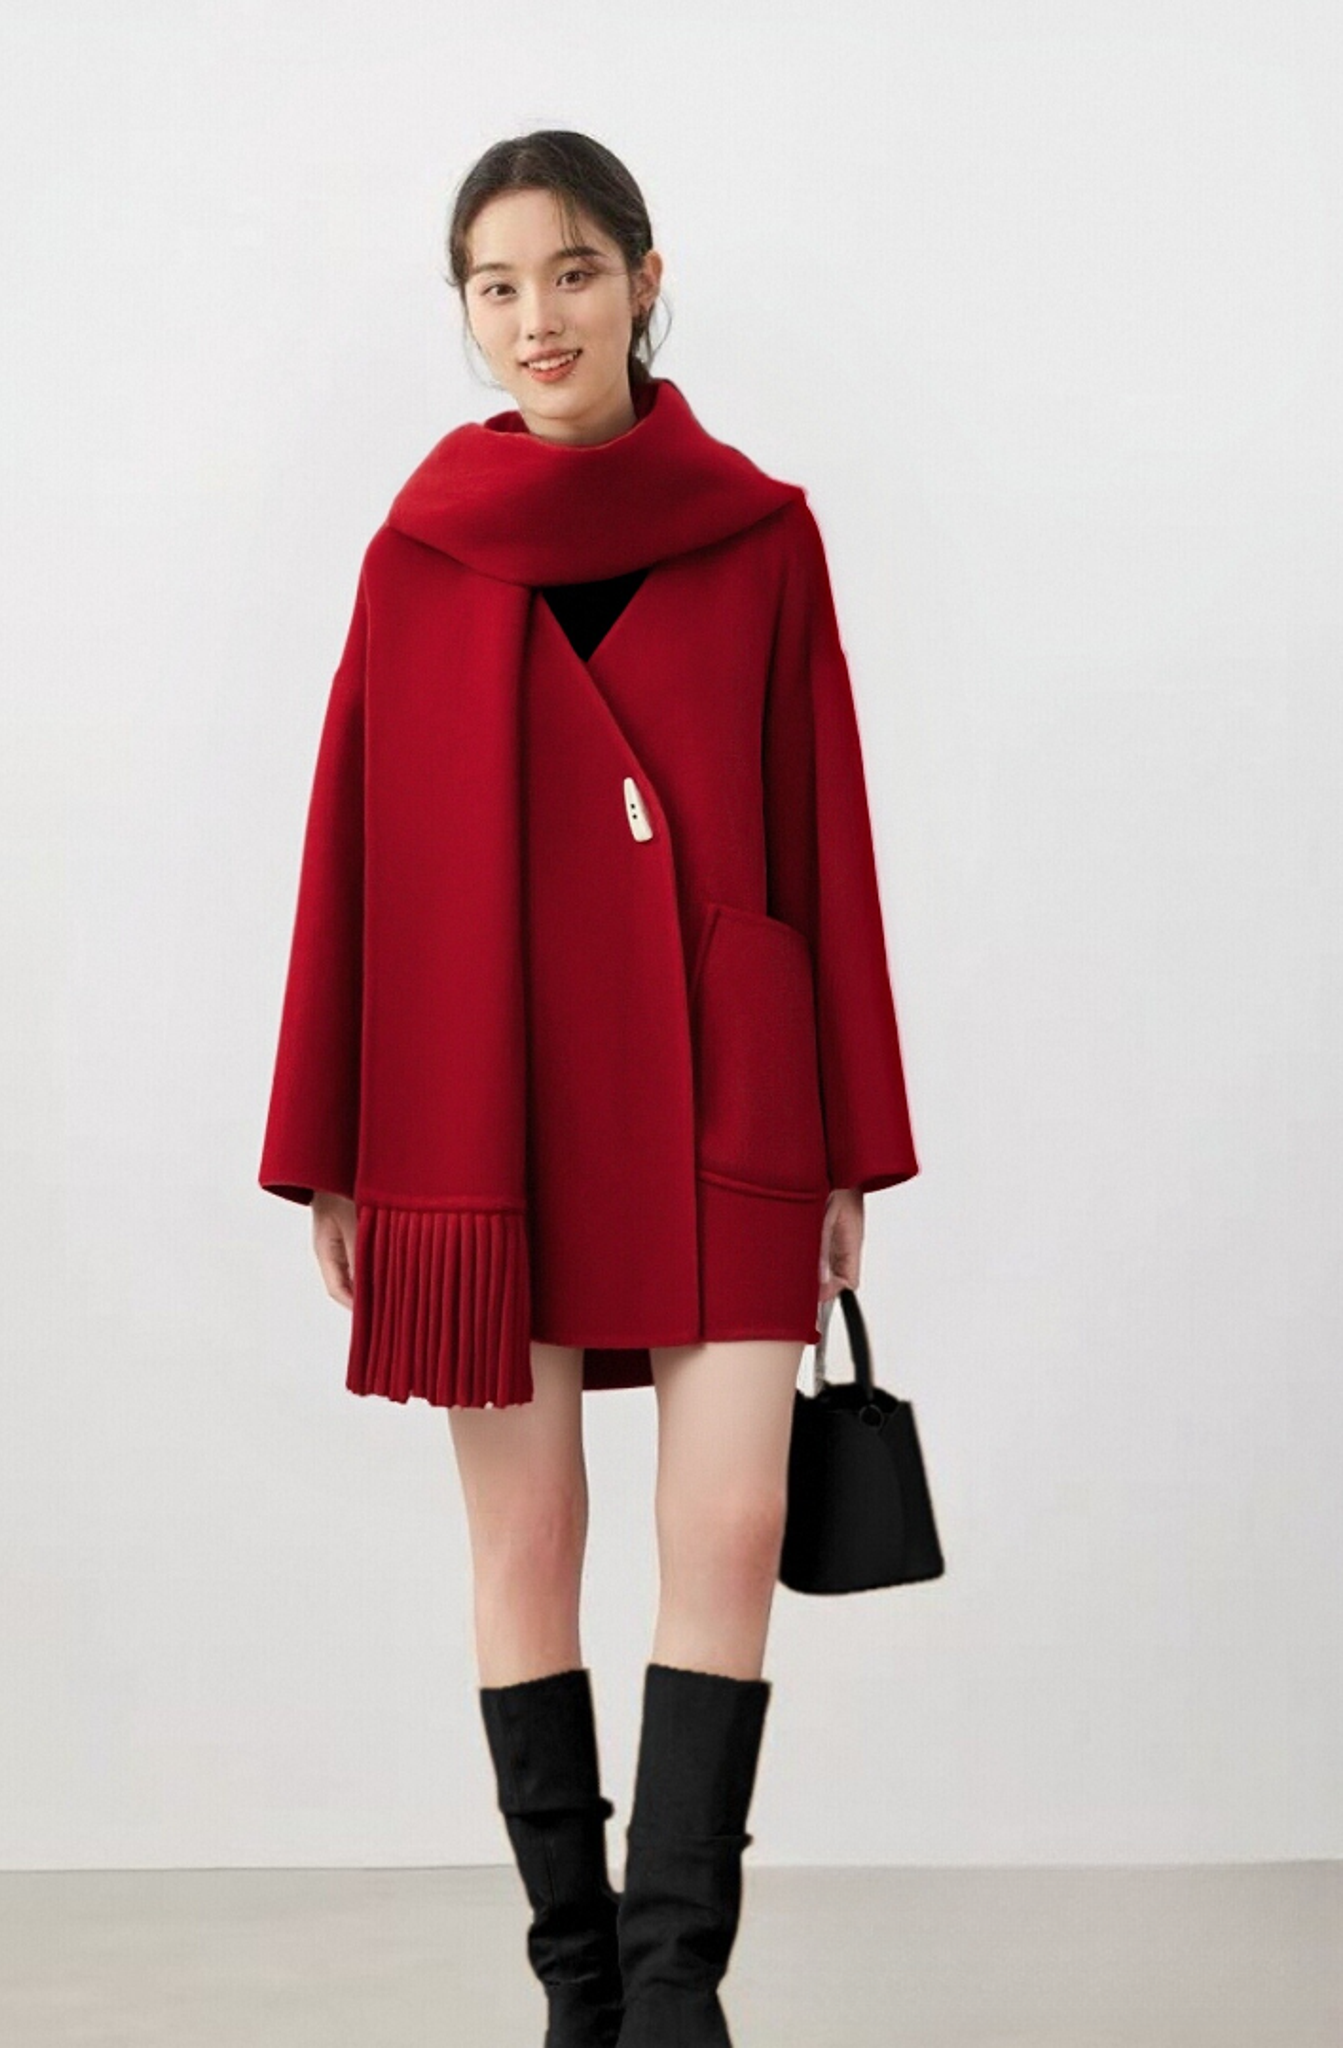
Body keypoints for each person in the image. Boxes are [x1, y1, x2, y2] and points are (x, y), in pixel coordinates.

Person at [258, 130, 919, 2048]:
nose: (535, 318)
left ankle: (673, 1988)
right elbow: (347, 853)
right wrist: (333, 1152)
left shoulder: (761, 533)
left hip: (729, 1084)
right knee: (527, 1539)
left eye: (570, 272)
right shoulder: (419, 554)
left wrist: (851, 1142)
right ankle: (577, 1985)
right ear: (465, 312)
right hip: (480, 1102)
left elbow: (826, 830)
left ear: (644, 277)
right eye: (495, 285)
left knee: (727, 1528)